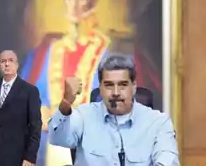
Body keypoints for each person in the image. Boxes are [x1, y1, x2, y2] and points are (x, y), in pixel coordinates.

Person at [48, 54, 179, 166]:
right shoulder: (84, 116)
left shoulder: (158, 122)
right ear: (100, 87)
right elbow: (56, 138)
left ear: (133, 87)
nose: (116, 92)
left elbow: (168, 161)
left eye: (122, 85)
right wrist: (66, 102)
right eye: (109, 85)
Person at [0, 50, 42, 166]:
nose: (7, 64)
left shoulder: (30, 91)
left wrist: (30, 157)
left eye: (11, 61)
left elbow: (35, 127)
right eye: (3, 61)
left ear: (17, 64)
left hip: (17, 158)